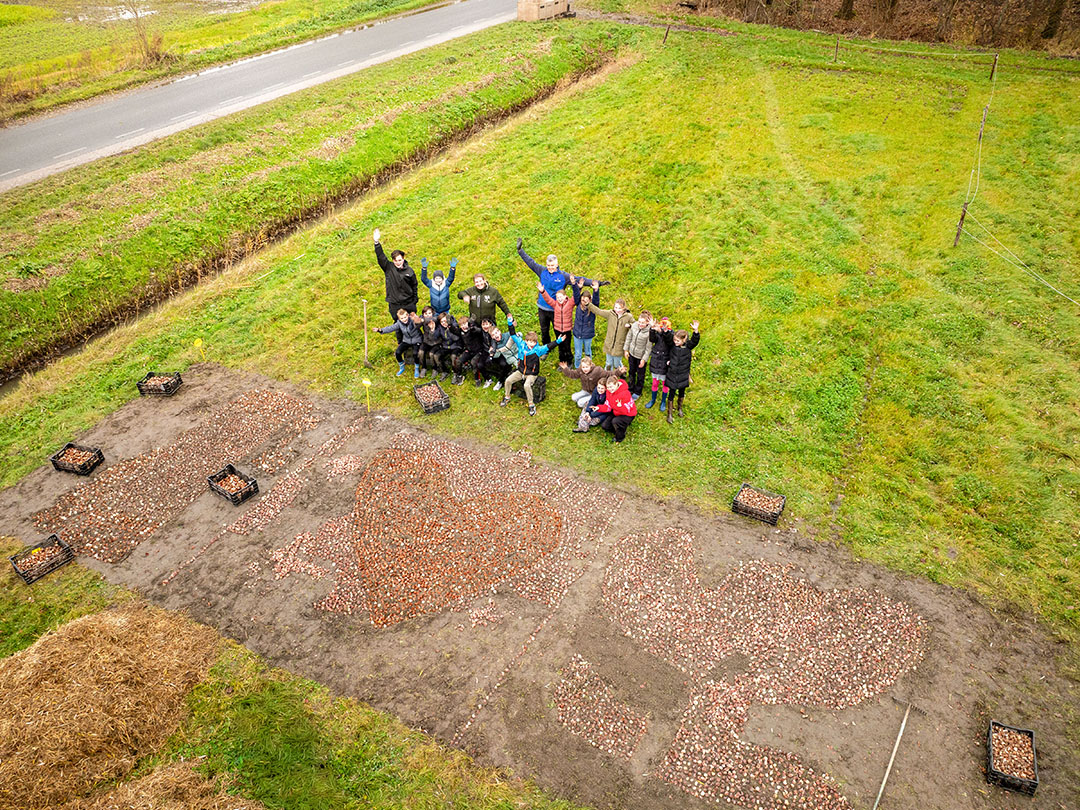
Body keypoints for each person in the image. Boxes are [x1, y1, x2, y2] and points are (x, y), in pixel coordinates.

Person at [500, 331, 563, 416]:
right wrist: (510, 322)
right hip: (520, 371)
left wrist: (558, 341)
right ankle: (507, 397)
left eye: (534, 342)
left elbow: (548, 346)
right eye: (530, 341)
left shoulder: (537, 350)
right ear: (526, 341)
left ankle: (531, 405)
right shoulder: (521, 345)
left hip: (532, 374)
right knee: (508, 380)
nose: (532, 343)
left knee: (526, 385)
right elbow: (513, 335)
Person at [373, 229, 418, 325]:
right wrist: (376, 243)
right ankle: (400, 340)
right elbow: (381, 257)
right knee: (398, 325)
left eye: (400, 260)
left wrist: (414, 300)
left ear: (403, 259)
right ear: (393, 260)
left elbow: (414, 285)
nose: (398, 262)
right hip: (395, 304)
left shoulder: (409, 271)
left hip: (408, 302)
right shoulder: (388, 268)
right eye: (396, 260)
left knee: (412, 324)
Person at [662, 321, 701, 424]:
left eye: (678, 340)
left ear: (684, 340)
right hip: (673, 373)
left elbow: (695, 341)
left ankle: (679, 408)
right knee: (672, 392)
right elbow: (667, 339)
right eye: (675, 340)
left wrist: (696, 331)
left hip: (683, 373)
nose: (675, 342)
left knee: (682, 392)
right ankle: (669, 413)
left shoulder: (688, 346)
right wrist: (665, 331)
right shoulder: (673, 346)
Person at [587, 287, 634, 371]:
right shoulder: (610, 314)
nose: (617, 310)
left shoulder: (628, 317)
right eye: (616, 307)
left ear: (624, 308)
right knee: (608, 363)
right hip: (609, 343)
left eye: (619, 308)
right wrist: (589, 305)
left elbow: (635, 325)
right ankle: (607, 375)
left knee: (617, 363)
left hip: (619, 345)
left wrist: (630, 325)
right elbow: (599, 311)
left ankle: (621, 372)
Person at [374, 309, 423, 377]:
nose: (404, 319)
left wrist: (417, 319)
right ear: (399, 319)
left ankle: (417, 368)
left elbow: (419, 321)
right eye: (402, 318)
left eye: (405, 317)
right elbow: (391, 328)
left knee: (415, 353)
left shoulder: (412, 320)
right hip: (406, 340)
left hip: (416, 339)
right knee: (398, 352)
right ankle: (402, 366)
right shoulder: (399, 323)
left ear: (408, 316)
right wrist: (380, 330)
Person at [591, 375, 637, 442]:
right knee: (605, 426)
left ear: (616, 384)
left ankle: (620, 437)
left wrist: (620, 406)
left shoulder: (625, 393)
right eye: (608, 387)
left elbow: (627, 410)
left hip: (628, 414)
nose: (609, 389)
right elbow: (608, 406)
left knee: (615, 421)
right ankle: (621, 428)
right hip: (616, 411)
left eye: (611, 387)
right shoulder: (609, 392)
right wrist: (598, 408)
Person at [539, 282, 575, 365]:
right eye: (557, 297)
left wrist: (577, 287)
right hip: (558, 329)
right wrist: (543, 291)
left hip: (567, 330)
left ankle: (569, 362)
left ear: (565, 296)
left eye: (561, 297)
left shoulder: (570, 304)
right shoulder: (555, 304)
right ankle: (562, 361)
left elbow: (575, 297)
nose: (559, 299)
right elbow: (548, 299)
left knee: (567, 346)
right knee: (560, 346)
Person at [623, 310, 652, 400]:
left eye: (643, 323)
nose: (640, 324)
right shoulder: (634, 326)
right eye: (639, 322)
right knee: (631, 372)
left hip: (641, 356)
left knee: (640, 375)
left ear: (647, 322)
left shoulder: (649, 332)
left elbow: (648, 348)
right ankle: (630, 388)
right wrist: (626, 349)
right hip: (632, 353)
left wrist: (644, 359)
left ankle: (638, 391)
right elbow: (629, 337)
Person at [646, 316, 673, 410]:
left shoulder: (671, 334)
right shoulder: (657, 333)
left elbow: (669, 341)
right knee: (655, 383)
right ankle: (653, 400)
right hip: (656, 362)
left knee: (665, 384)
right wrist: (652, 329)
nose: (663, 327)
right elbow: (652, 339)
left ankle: (663, 402)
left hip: (665, 363)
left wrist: (663, 332)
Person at [571, 278, 598, 369]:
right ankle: (578, 368)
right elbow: (576, 295)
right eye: (583, 300)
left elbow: (596, 302)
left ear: (590, 300)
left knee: (587, 353)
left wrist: (596, 290)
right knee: (578, 354)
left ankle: (589, 367)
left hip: (588, 335)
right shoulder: (578, 304)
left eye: (586, 300)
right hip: (577, 334)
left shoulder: (592, 308)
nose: (584, 302)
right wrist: (575, 285)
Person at [487, 314, 519, 391]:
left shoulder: (508, 335)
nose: (496, 335)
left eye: (496, 333)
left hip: (518, 353)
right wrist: (491, 351)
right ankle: (502, 382)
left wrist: (518, 335)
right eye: (493, 335)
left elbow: (518, 335)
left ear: (499, 331)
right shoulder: (495, 345)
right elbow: (496, 355)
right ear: (492, 337)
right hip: (510, 359)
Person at [457, 315, 490, 388]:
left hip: (478, 351)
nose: (464, 326)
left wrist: (471, 326)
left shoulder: (472, 330)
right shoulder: (461, 332)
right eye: (462, 325)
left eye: (465, 324)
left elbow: (477, 330)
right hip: (469, 351)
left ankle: (477, 379)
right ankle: (459, 376)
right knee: (459, 361)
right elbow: (454, 330)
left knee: (473, 363)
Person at [416, 314, 444, 378]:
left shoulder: (436, 320)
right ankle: (423, 367)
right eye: (425, 314)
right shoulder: (423, 321)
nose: (428, 315)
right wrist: (417, 321)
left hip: (436, 342)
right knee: (421, 352)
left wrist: (432, 329)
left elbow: (434, 337)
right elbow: (416, 327)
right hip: (426, 342)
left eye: (429, 313)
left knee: (431, 354)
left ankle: (435, 369)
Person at [440, 312, 464, 384]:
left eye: (445, 321)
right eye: (442, 322)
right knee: (437, 355)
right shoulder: (440, 328)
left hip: (456, 345)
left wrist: (449, 330)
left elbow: (456, 338)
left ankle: (456, 373)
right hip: (446, 346)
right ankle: (445, 371)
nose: (444, 323)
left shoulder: (454, 326)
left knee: (453, 357)